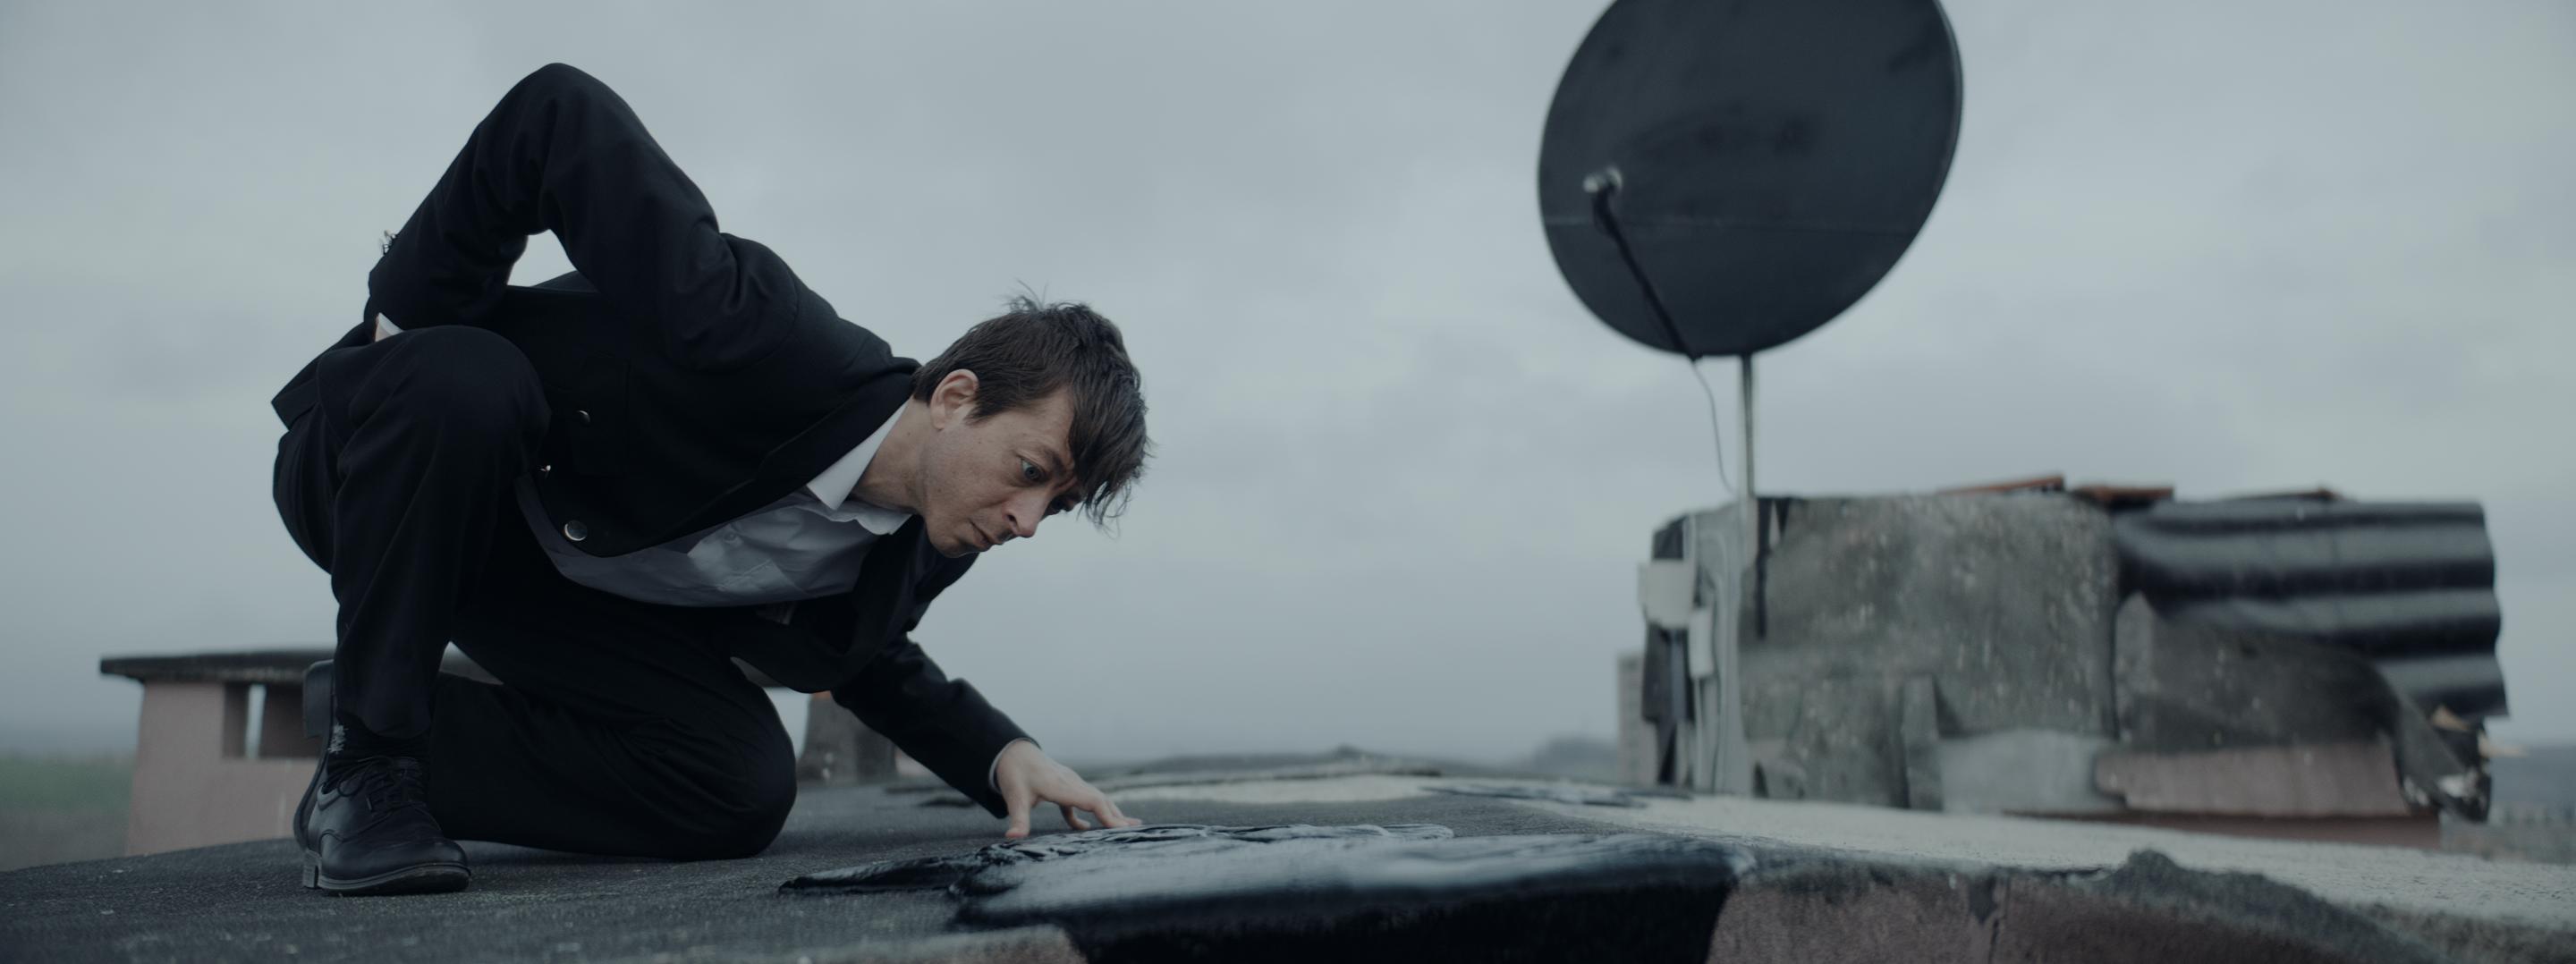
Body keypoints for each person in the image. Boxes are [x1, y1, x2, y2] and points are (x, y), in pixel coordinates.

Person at [268, 63, 1150, 896]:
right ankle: (369, 762)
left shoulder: (931, 543)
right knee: (467, 381)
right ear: (957, 398)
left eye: (1056, 505)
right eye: (1031, 471)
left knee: (738, 781)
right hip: (391, 469)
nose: (1027, 519)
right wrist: (404, 335)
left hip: (542, 586)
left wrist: (1000, 754)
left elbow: (869, 654)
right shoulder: (758, 332)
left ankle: (378, 728)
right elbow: (554, 114)